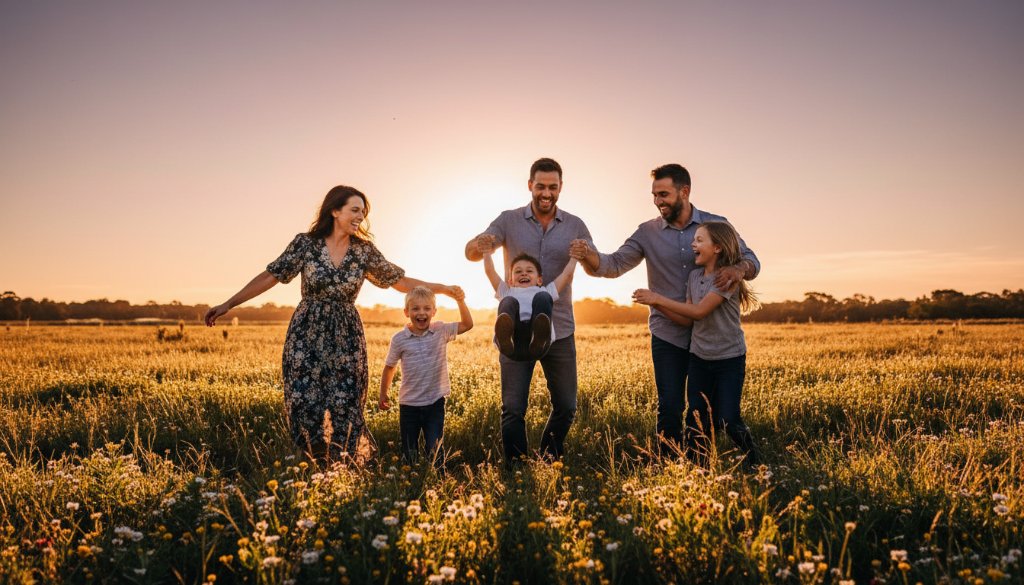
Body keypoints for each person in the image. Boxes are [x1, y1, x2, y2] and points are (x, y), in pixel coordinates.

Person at [204, 185, 459, 463]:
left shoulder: (364, 252)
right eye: (355, 209)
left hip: (346, 335)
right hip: (306, 333)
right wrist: (229, 303)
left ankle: (345, 466)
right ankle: (312, 465)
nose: (361, 216)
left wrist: (443, 288)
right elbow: (271, 276)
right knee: (304, 401)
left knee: (346, 403)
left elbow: (401, 282)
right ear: (335, 210)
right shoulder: (306, 244)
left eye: (364, 211)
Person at [570, 164, 759, 455]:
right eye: (654, 195)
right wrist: (588, 255)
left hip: (708, 341)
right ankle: (669, 467)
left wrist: (737, 269)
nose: (658, 201)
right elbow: (613, 265)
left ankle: (701, 466)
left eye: (664, 194)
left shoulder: (715, 225)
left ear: (685, 191)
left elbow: (752, 261)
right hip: (668, 334)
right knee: (670, 407)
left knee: (704, 413)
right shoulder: (646, 233)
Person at [464, 157, 594, 464]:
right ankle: (516, 467)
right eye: (540, 186)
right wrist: (479, 244)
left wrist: (584, 253)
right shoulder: (508, 220)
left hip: (559, 329)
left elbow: (595, 262)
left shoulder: (575, 225)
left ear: (560, 187)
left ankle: (548, 458)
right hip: (514, 335)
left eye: (552, 187)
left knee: (566, 405)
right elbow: (474, 252)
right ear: (530, 186)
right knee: (512, 409)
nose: (546, 193)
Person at [632, 221, 760, 468]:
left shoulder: (726, 279)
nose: (693, 244)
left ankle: (753, 460)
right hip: (699, 358)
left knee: (727, 418)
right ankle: (698, 466)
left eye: (700, 240)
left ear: (718, 248)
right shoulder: (693, 276)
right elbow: (688, 318)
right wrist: (655, 305)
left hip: (729, 359)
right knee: (696, 417)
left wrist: (659, 297)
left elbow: (700, 311)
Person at [378, 286, 473, 467]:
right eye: (415, 308)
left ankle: (438, 482)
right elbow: (389, 367)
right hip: (409, 404)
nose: (421, 313)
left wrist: (460, 301)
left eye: (427, 308)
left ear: (434, 312)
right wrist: (383, 393)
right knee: (409, 451)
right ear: (406, 312)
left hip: (435, 402)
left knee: (435, 448)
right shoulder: (399, 339)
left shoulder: (441, 331)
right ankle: (412, 483)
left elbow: (467, 324)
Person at [480, 246, 578, 361]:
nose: (524, 274)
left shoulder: (544, 291)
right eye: (518, 271)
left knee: (543, 297)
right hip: (513, 344)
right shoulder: (507, 291)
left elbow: (566, 275)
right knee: (507, 301)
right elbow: (490, 271)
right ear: (510, 281)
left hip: (538, 346)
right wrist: (486, 252)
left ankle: (538, 337)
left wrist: (575, 257)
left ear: (539, 280)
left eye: (529, 271)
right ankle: (505, 339)